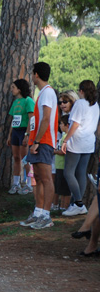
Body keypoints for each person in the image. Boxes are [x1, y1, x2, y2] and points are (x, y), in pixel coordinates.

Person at [20, 62, 59, 230]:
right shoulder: (42, 93)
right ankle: (38, 212)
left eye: (32, 73)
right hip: (37, 141)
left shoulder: (48, 92)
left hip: (44, 141)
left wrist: (37, 141)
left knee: (46, 178)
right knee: (38, 178)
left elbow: (46, 118)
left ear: (36, 74)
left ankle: (46, 215)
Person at [61, 80, 99, 216]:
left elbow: (75, 124)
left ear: (81, 91)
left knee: (68, 172)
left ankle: (78, 203)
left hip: (76, 141)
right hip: (89, 142)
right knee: (81, 173)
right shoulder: (95, 105)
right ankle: (76, 203)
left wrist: (65, 140)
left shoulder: (80, 104)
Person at [7, 79, 35, 195]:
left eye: (13, 87)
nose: (11, 89)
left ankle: (29, 184)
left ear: (19, 89)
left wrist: (27, 135)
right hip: (15, 132)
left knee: (26, 158)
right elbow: (13, 120)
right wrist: (10, 135)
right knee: (16, 158)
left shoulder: (28, 101)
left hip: (24, 131)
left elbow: (31, 118)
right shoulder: (15, 102)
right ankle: (16, 183)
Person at [53, 115, 71, 211]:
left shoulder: (65, 137)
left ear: (67, 125)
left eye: (61, 124)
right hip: (59, 166)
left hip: (63, 166)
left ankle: (65, 206)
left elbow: (63, 151)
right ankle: (61, 206)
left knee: (65, 189)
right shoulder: (63, 136)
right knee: (60, 187)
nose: (60, 126)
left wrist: (54, 151)